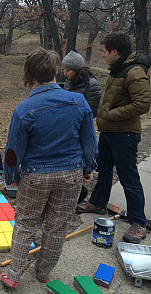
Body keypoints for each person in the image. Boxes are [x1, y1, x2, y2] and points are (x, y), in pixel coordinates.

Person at [0, 48, 98, 289]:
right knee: (57, 225)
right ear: (57, 70)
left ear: (29, 74)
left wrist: (10, 176)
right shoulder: (79, 101)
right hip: (71, 174)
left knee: (25, 224)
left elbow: (13, 149)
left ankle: (13, 275)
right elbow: (89, 140)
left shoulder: (24, 109)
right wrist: (88, 166)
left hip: (35, 176)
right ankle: (43, 272)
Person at [76, 32, 151, 244]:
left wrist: (109, 115)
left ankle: (138, 222)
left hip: (125, 133)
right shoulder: (118, 69)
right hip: (109, 132)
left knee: (128, 176)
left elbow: (142, 105)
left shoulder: (134, 72)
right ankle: (98, 202)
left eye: (104, 51)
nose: (102, 55)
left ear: (115, 52)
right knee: (104, 169)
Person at [62, 50, 102, 203]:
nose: (65, 73)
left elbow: (91, 111)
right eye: (64, 69)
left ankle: (79, 191)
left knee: (80, 159)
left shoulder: (92, 85)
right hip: (67, 128)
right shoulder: (68, 82)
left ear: (77, 69)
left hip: (80, 129)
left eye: (68, 70)